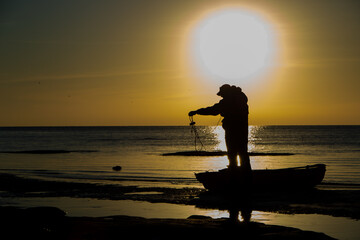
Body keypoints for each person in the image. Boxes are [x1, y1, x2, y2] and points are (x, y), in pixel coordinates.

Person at [188, 84, 251, 171]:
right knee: (242, 150)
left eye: (222, 94)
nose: (221, 96)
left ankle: (234, 169)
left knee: (232, 151)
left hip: (232, 130)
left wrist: (197, 112)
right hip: (242, 130)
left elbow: (213, 110)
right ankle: (244, 170)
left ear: (226, 93)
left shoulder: (227, 102)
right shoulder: (241, 101)